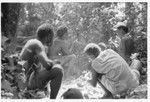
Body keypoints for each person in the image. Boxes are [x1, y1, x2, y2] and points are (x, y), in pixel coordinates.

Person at [20, 23, 63, 99]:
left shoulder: (33, 42)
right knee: (58, 70)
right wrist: (55, 62)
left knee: (48, 71)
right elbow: (47, 66)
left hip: (25, 80)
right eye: (53, 36)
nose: (53, 38)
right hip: (27, 82)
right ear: (49, 36)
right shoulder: (38, 45)